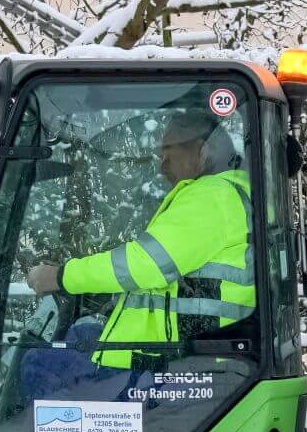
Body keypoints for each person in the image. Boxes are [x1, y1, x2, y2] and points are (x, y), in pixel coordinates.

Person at [20, 108, 255, 401]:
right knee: (79, 338)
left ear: (202, 150)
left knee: (36, 365)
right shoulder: (227, 194)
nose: (162, 162)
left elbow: (143, 265)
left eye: (169, 150)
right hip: (186, 355)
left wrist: (60, 276)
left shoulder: (213, 197)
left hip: (185, 364)